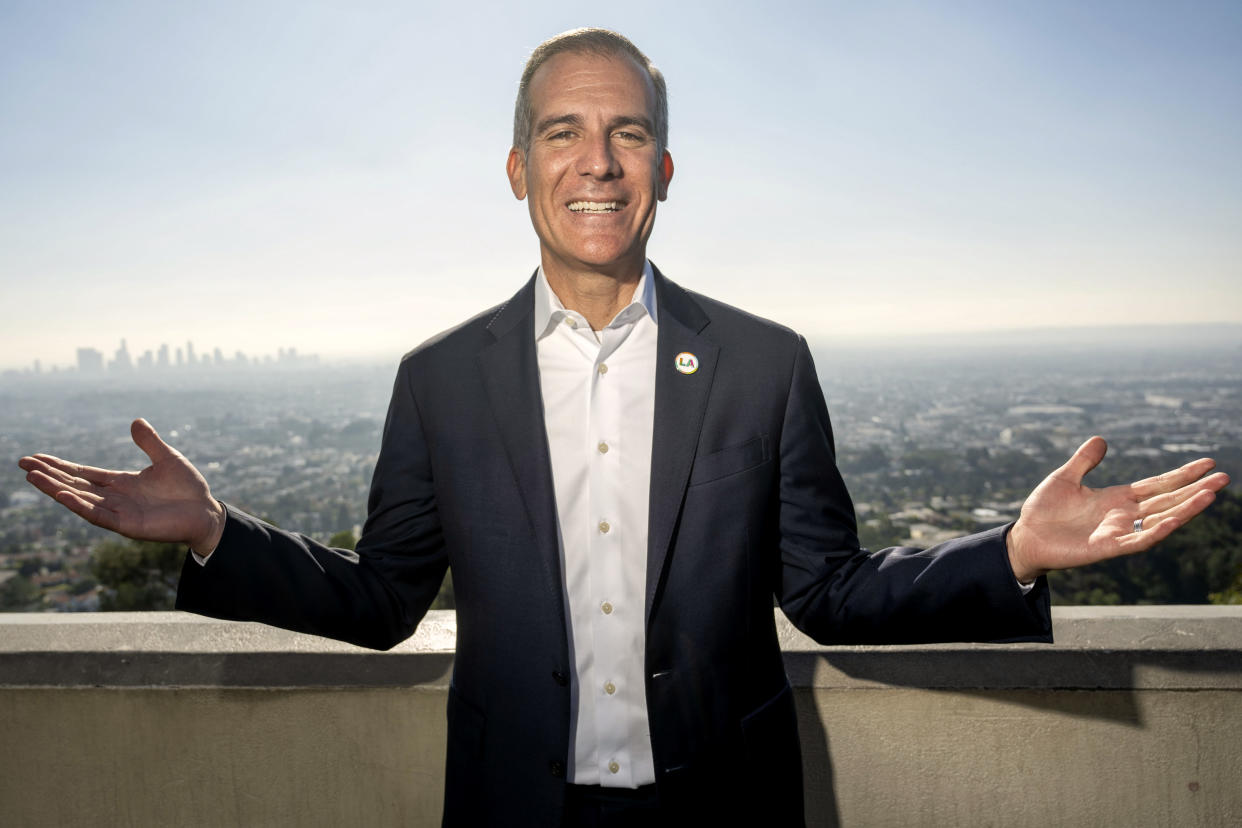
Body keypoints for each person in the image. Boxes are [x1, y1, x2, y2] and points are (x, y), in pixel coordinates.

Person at [18, 28, 1228, 828]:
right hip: (513, 806)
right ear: (516, 169)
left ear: (664, 164)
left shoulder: (765, 362)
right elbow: (385, 598)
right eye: (564, 132)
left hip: (724, 808)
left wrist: (1009, 553)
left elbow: (833, 594)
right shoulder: (439, 379)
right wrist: (217, 533)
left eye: (628, 132)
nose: (598, 161)